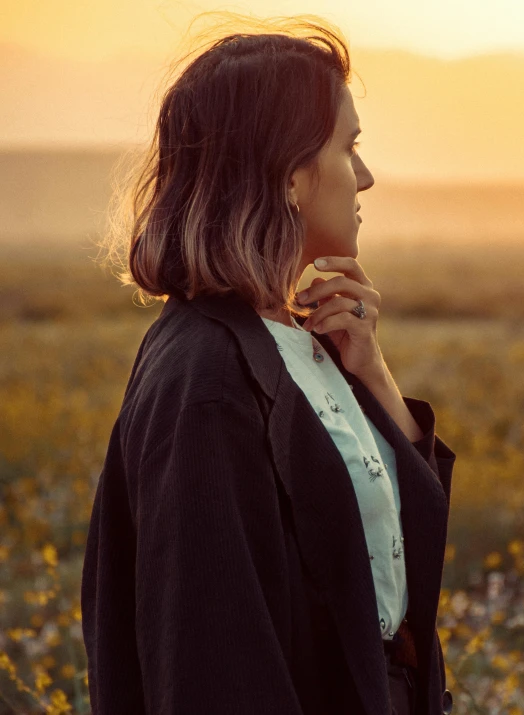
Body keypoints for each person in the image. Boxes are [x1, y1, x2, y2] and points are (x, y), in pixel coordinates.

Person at [81, 13, 456, 715]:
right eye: (350, 148)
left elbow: (395, 565)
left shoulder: (300, 339)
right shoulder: (205, 376)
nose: (367, 177)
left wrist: (374, 377)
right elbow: (210, 659)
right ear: (290, 178)